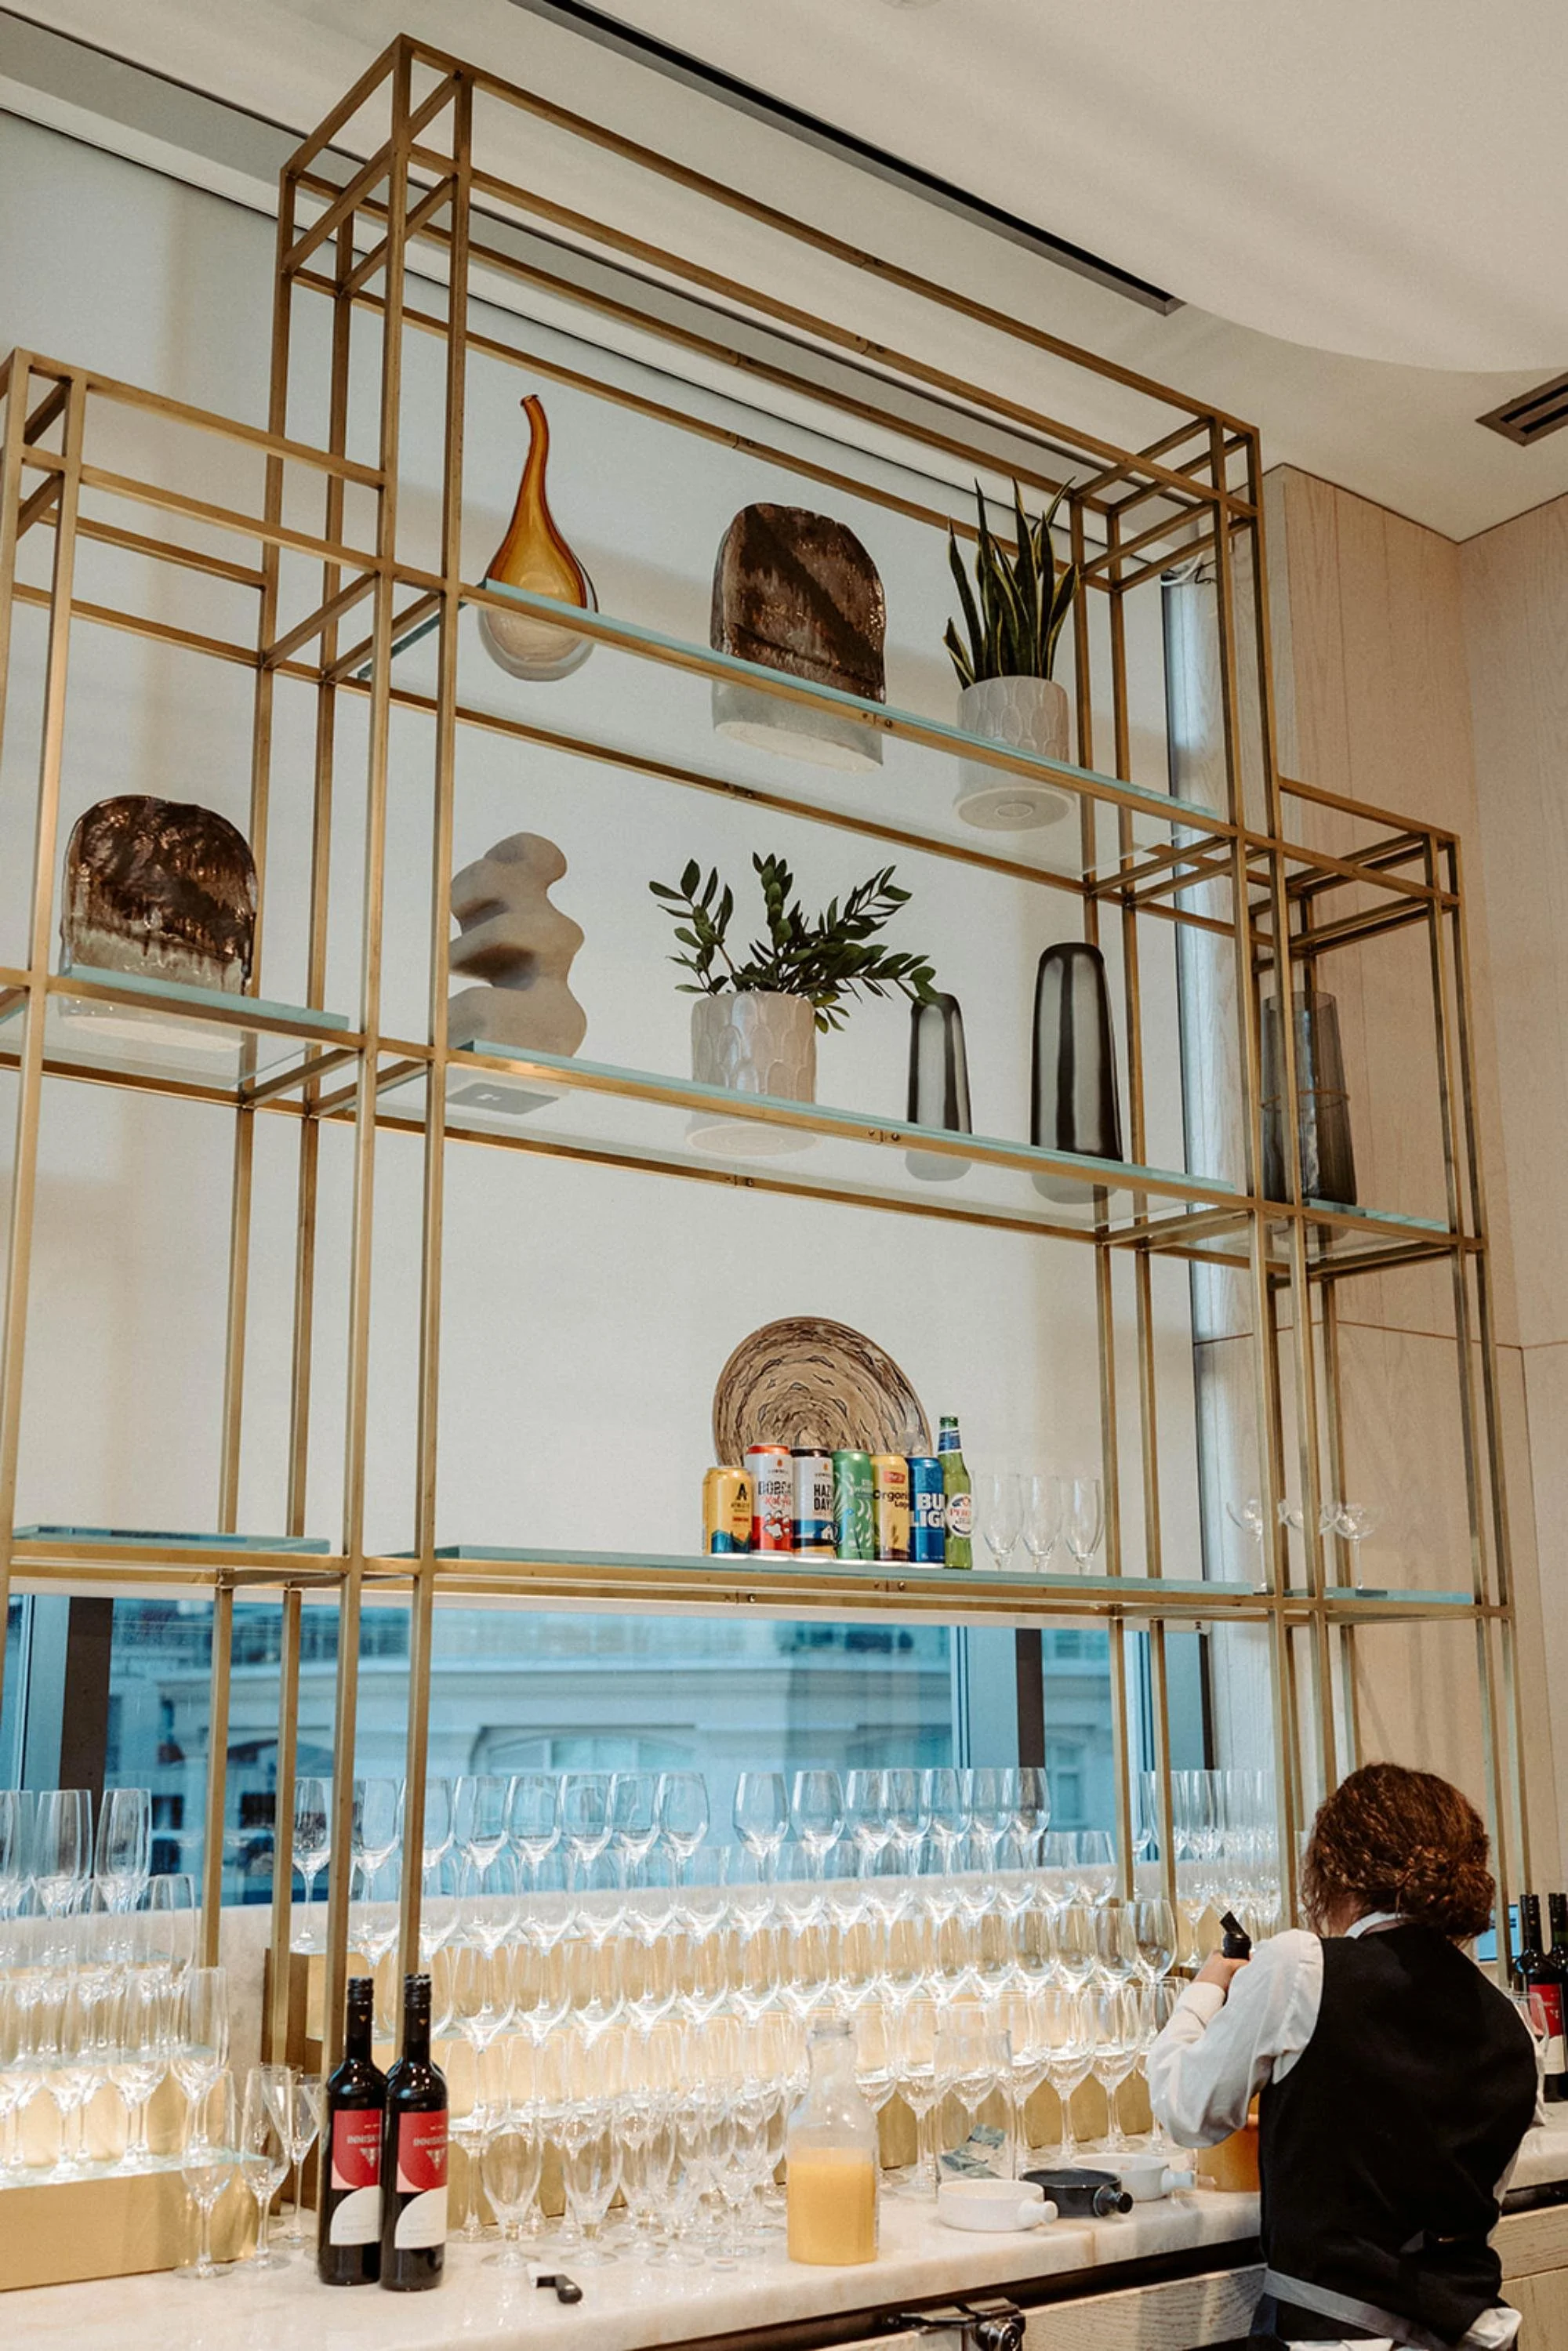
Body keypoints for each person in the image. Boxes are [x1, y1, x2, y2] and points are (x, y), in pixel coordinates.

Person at [1147, 1762, 1541, 2351]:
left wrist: (1208, 1987)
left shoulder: (1303, 1967)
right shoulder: (1515, 2025)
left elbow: (1186, 2109)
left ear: (1334, 1871)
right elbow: (1460, 2206)